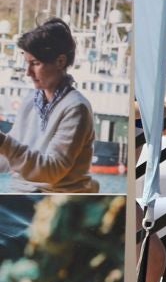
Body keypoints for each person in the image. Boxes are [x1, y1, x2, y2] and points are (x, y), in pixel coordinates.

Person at [0, 19, 98, 193]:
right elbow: (10, 157)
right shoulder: (30, 100)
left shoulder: (76, 108)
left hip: (58, 199)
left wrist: (3, 142)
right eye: (27, 63)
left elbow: (53, 171)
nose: (28, 72)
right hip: (23, 195)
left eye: (35, 64)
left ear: (61, 62)